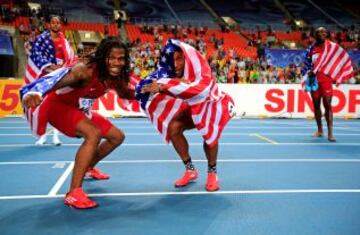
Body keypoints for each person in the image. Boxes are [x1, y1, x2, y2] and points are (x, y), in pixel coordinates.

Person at [21, 37, 138, 209]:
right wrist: (39, 92)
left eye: (121, 59)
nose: (117, 62)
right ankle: (74, 193)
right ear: (102, 56)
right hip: (57, 106)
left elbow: (126, 94)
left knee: (117, 137)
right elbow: (56, 80)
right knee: (93, 134)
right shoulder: (84, 71)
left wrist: (147, 91)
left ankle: (89, 166)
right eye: (111, 58)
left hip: (78, 109)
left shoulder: (115, 76)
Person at [137, 39, 234, 191]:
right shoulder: (171, 73)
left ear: (188, 59)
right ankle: (190, 170)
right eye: (173, 59)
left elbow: (196, 90)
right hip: (193, 107)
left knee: (209, 136)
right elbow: (158, 84)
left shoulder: (202, 73)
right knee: (174, 127)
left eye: (179, 59)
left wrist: (163, 87)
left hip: (212, 105)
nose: (175, 64)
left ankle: (212, 173)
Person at [24, 15, 77, 146]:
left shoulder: (64, 41)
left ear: (60, 25)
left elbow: (70, 58)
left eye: (58, 23)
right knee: (42, 105)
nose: (55, 25)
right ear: (49, 25)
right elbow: (36, 55)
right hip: (45, 75)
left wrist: (63, 68)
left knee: (56, 107)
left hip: (59, 77)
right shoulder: (42, 39)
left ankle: (56, 136)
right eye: (53, 22)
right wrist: (51, 66)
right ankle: (42, 135)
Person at [302, 27, 354, 142]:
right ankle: (320, 130)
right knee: (316, 105)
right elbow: (307, 64)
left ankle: (330, 133)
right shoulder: (311, 49)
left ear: (327, 34)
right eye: (319, 32)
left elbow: (342, 58)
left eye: (324, 32)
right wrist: (308, 72)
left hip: (326, 80)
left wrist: (339, 72)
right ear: (315, 34)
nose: (322, 33)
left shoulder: (332, 47)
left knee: (327, 104)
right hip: (313, 80)